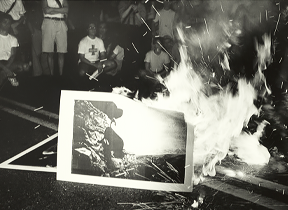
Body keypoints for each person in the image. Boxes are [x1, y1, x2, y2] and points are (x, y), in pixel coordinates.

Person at [0, 13, 30, 87]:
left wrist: (6, 68)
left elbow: (13, 55)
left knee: (25, 66)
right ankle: (9, 75)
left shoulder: (13, 39)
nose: (7, 25)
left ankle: (7, 75)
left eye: (9, 23)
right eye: (5, 22)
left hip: (8, 62)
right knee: (4, 72)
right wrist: (6, 69)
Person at [41, 0, 69, 76]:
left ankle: (61, 75)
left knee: (62, 52)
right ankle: (51, 75)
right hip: (48, 22)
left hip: (61, 22)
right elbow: (46, 10)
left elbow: (66, 9)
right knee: (50, 52)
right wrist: (60, 11)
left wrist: (51, 9)